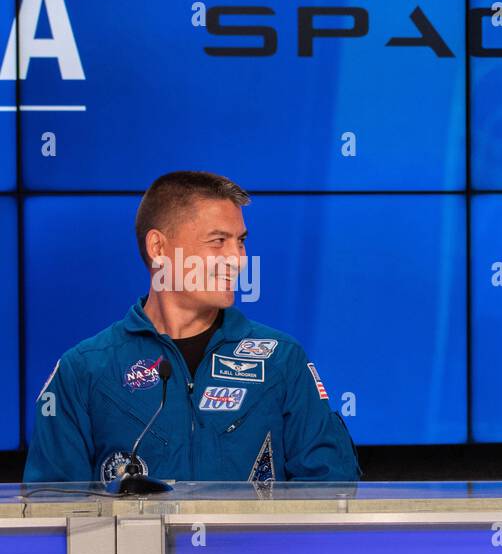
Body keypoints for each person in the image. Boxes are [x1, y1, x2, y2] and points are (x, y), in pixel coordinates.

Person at [23, 171, 360, 485]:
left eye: (240, 241)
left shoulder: (282, 359)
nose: (238, 258)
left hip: (257, 551)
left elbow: (333, 493)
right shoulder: (83, 370)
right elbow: (51, 514)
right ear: (159, 248)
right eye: (218, 241)